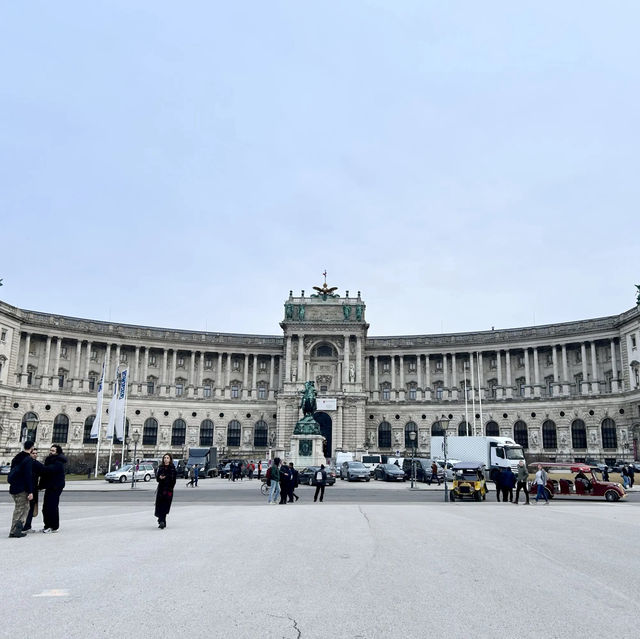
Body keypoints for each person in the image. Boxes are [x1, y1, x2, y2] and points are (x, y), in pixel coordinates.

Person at [8, 440, 35, 538]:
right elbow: (28, 476)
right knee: (20, 509)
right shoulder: (28, 459)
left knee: (25, 508)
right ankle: (14, 531)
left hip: (14, 487)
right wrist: (30, 491)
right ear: (32, 447)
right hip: (21, 488)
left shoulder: (17, 457)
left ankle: (18, 528)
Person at [41, 444, 67, 533]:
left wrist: (38, 467)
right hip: (50, 485)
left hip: (56, 486)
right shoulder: (49, 460)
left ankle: (53, 526)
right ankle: (47, 525)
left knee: (52, 506)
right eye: (50, 450)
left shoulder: (59, 461)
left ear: (57, 452)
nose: (51, 452)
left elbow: (49, 470)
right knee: (45, 506)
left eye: (53, 451)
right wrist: (41, 485)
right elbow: (45, 474)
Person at [23, 447, 45, 532]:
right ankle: (26, 526)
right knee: (28, 508)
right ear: (30, 454)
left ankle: (27, 526)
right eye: (33, 453)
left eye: (36, 453)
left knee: (31, 508)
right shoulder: (31, 463)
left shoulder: (36, 463)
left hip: (34, 487)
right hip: (29, 488)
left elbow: (44, 471)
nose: (35, 455)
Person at [155, 454, 177, 529]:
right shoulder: (160, 468)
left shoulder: (173, 468)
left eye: (167, 458)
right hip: (161, 489)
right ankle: (161, 521)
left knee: (165, 506)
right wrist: (160, 477)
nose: (166, 459)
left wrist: (171, 489)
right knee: (160, 505)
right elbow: (157, 479)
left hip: (169, 490)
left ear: (170, 459)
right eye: (165, 458)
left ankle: (162, 521)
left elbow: (174, 481)